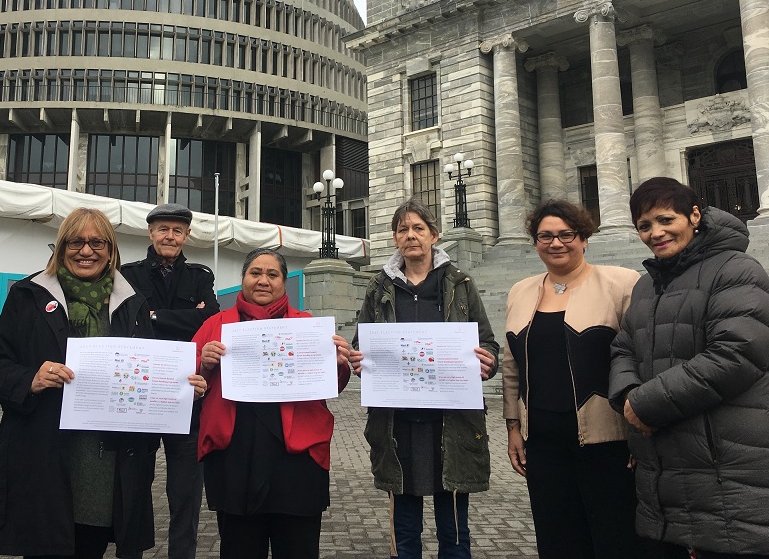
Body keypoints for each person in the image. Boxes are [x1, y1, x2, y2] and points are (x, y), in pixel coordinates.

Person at [0, 207, 207, 559]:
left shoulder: (132, 303)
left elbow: (143, 368)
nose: (87, 251)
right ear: (60, 247)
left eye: (97, 242)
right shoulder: (29, 296)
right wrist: (30, 379)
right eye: (76, 242)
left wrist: (178, 389)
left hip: (105, 466)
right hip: (44, 456)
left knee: (92, 546)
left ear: (110, 249)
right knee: (46, 547)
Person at [610, 177, 769, 559]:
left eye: (666, 220)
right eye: (645, 226)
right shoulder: (648, 285)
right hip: (665, 464)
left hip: (726, 463)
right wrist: (629, 396)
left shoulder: (736, 269)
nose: (656, 233)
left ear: (694, 215)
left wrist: (645, 405)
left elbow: (737, 353)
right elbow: (623, 349)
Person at [348, 198, 499, 559]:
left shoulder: (461, 283)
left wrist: (487, 362)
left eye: (418, 228)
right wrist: (357, 358)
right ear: (395, 238)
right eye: (403, 230)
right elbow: (362, 342)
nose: (411, 236)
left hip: (451, 424)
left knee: (454, 531)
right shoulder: (378, 288)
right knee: (404, 532)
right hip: (398, 423)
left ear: (434, 235)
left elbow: (488, 342)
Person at [502, 200, 647, 558]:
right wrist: (513, 428)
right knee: (557, 539)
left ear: (584, 238)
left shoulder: (622, 284)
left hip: (608, 441)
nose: (556, 243)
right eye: (545, 236)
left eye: (566, 234)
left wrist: (642, 435)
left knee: (614, 539)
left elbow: (641, 360)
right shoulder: (520, 291)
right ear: (535, 242)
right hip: (544, 444)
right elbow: (511, 368)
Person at [194, 248, 352, 559]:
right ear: (243, 279)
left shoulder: (307, 326)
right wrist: (204, 364)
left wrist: (337, 363)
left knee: (298, 548)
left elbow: (333, 385)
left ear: (283, 282)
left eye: (272, 274)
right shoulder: (216, 324)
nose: (263, 280)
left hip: (298, 460)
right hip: (234, 457)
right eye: (255, 273)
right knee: (239, 548)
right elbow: (187, 381)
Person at [121, 203, 220, 559]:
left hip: (187, 393)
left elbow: (209, 317)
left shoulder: (199, 276)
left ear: (186, 236)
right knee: (134, 484)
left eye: (177, 231)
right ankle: (130, 551)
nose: (170, 236)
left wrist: (153, 315)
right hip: (141, 393)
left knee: (186, 492)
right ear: (150, 233)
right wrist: (183, 318)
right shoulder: (127, 274)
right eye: (163, 229)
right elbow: (129, 321)